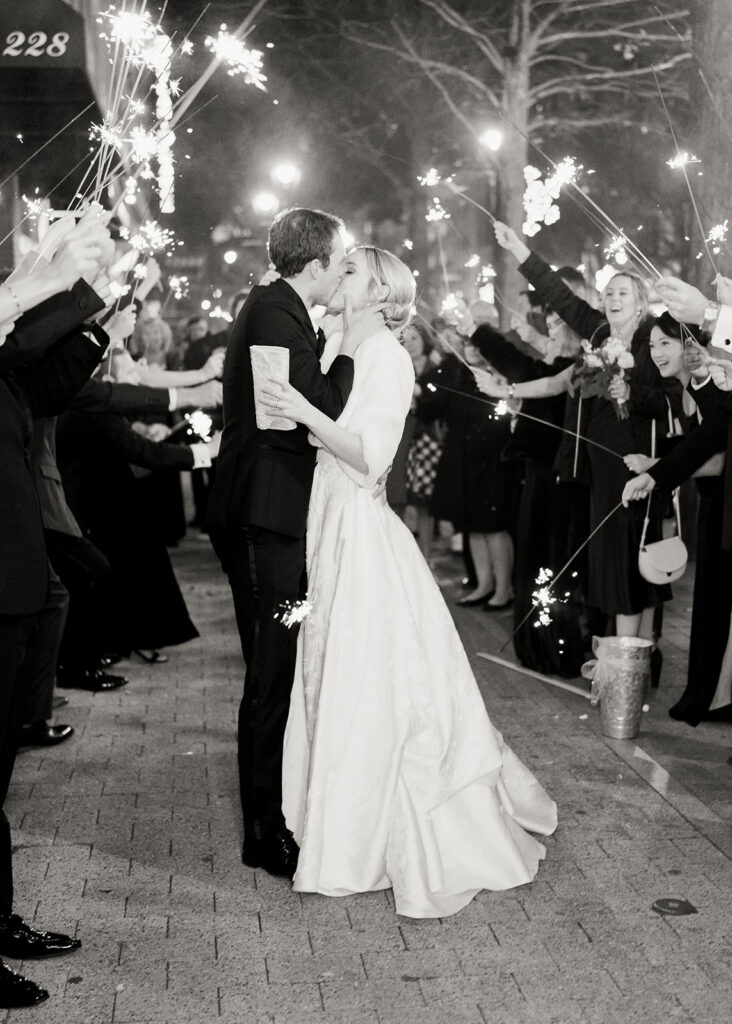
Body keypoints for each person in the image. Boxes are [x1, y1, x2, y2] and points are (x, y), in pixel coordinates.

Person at [260, 245, 557, 919]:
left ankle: (372, 834)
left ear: (376, 292)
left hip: (361, 529)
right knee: (331, 668)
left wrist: (303, 412)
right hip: (328, 519)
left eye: (351, 271)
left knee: (373, 677)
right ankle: (324, 820)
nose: (338, 277)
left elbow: (371, 460)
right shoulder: (340, 344)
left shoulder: (389, 359)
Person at [207, 208, 381, 879]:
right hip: (263, 522)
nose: (342, 269)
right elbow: (322, 403)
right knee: (270, 672)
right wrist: (348, 342)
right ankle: (261, 831)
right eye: (338, 259)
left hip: (271, 519)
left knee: (275, 660)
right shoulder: (277, 312)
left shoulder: (277, 306)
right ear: (315, 263)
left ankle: (270, 810)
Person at [485, 223, 682, 683]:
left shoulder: (655, 338)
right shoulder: (595, 330)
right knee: (618, 564)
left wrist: (631, 389)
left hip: (635, 464)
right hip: (599, 465)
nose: (613, 299)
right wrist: (519, 250)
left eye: (623, 293)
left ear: (640, 301)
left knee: (632, 563)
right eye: (609, 292)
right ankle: (633, 662)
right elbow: (560, 296)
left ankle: (629, 666)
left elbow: (671, 396)